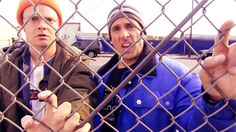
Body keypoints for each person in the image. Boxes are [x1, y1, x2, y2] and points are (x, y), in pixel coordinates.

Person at [92, 5, 235, 131]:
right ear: (110, 39)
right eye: (116, 29)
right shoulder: (100, 77)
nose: (124, 35)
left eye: (130, 26)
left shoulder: (178, 75)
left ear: (143, 32)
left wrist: (215, 100)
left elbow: (196, 126)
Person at [0, 0, 96, 131]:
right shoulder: (6, 66)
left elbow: (78, 100)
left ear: (58, 26)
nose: (42, 26)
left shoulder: (75, 64)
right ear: (22, 27)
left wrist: (67, 122)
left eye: (49, 20)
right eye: (33, 19)